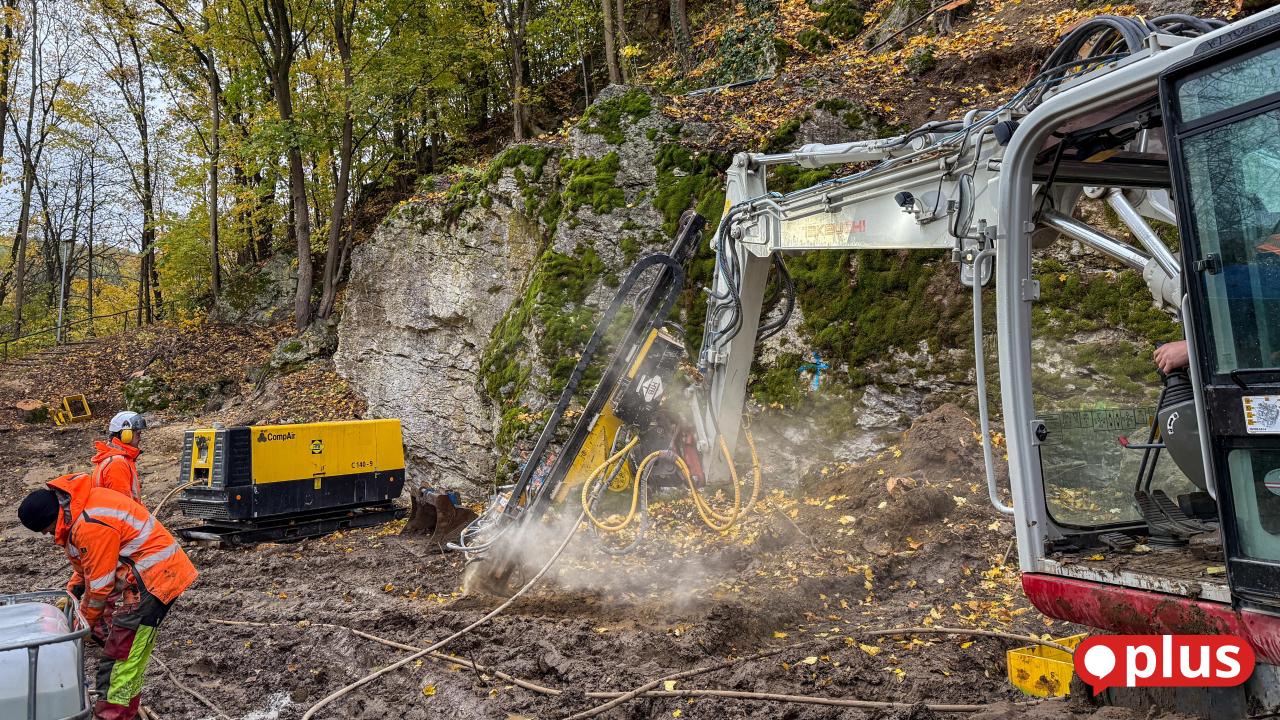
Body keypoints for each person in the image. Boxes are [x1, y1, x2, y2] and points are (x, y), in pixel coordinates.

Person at [17, 472, 198, 720]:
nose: (48, 535)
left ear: (52, 517)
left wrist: (84, 624)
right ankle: (128, 713)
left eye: (46, 530)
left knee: (120, 662)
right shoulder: (77, 508)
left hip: (153, 579)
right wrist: (72, 591)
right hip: (147, 574)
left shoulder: (89, 523)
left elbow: (100, 586)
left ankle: (113, 716)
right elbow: (86, 565)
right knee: (127, 658)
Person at [92, 411, 147, 502]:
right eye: (138, 434)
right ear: (126, 435)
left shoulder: (118, 458)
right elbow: (123, 507)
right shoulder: (117, 464)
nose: (140, 438)